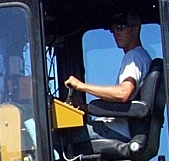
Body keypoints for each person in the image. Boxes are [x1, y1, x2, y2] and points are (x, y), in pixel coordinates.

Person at [64, 11, 152, 142]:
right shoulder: (141, 56)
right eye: (113, 30)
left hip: (118, 130)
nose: (116, 33)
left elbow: (124, 93)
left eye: (120, 28)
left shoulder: (134, 57)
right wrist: (83, 106)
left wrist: (81, 86)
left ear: (135, 30)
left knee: (58, 138)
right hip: (121, 128)